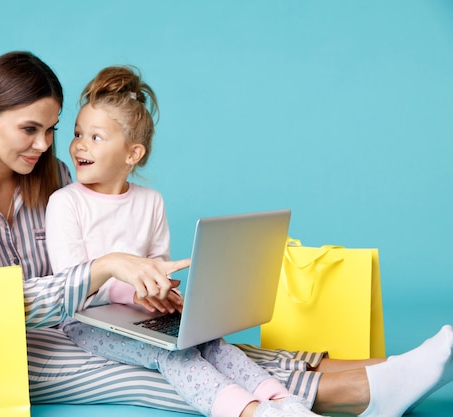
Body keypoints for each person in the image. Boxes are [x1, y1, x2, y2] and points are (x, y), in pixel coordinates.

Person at [0, 50, 453, 417]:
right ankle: (363, 392)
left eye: (51, 130)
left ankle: (387, 376)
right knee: (165, 366)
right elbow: (3, 305)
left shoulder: (49, 179)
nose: (46, 146)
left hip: (74, 323)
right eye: (30, 129)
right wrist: (106, 268)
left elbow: (85, 282)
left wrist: (144, 288)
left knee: (190, 342)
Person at [45, 64, 324, 417]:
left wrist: (164, 292)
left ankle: (285, 402)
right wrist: (131, 290)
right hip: (85, 322)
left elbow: (158, 262)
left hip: (138, 313)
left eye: (96, 137)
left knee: (210, 342)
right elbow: (70, 285)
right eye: (77, 133)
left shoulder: (151, 201)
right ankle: (253, 413)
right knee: (173, 353)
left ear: (133, 154)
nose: (79, 145)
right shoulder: (66, 202)